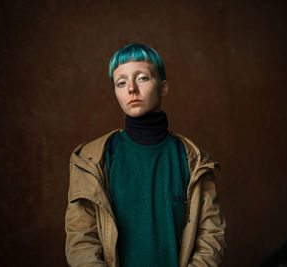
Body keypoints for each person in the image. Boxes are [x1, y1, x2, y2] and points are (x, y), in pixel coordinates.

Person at [65, 43, 226, 267]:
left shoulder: (192, 160)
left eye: (142, 78)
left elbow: (211, 236)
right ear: (115, 92)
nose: (131, 89)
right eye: (121, 83)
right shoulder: (93, 160)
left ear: (163, 87)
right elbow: (81, 239)